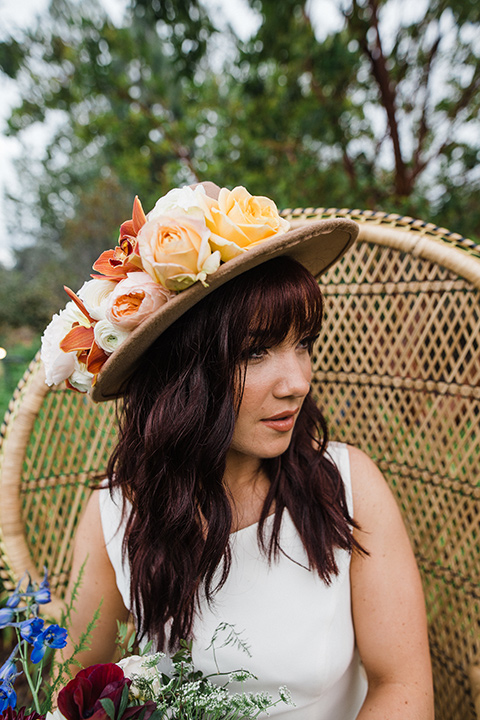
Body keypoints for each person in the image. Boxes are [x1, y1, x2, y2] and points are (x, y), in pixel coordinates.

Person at [42, 181, 434, 719]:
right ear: (183, 373)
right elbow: (78, 687)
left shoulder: (348, 486)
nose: (297, 381)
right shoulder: (116, 513)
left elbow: (402, 687)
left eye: (303, 343)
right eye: (255, 352)